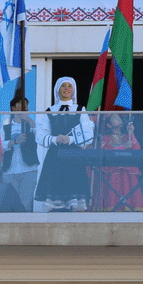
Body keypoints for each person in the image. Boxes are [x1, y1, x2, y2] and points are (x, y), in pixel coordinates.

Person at [35, 76, 94, 211]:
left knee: (74, 199)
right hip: (55, 157)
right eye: (63, 86)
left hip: (74, 156)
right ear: (58, 89)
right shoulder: (50, 110)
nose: (66, 88)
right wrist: (54, 139)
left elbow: (88, 134)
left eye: (69, 86)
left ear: (73, 90)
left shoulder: (80, 109)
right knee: (56, 198)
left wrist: (71, 139)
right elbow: (41, 135)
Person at [91, 111, 143, 211]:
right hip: (112, 170)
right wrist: (123, 147)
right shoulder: (104, 137)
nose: (119, 119)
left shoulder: (127, 136)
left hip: (127, 170)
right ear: (109, 125)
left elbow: (137, 149)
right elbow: (105, 152)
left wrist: (131, 133)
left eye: (118, 117)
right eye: (115, 117)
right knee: (112, 196)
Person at [0, 94, 40, 211]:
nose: (25, 107)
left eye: (26, 105)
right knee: (10, 205)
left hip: (29, 170)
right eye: (21, 104)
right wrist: (15, 141)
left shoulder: (31, 124)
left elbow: (40, 138)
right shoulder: (5, 127)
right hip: (9, 171)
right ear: (13, 108)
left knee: (25, 205)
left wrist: (29, 120)